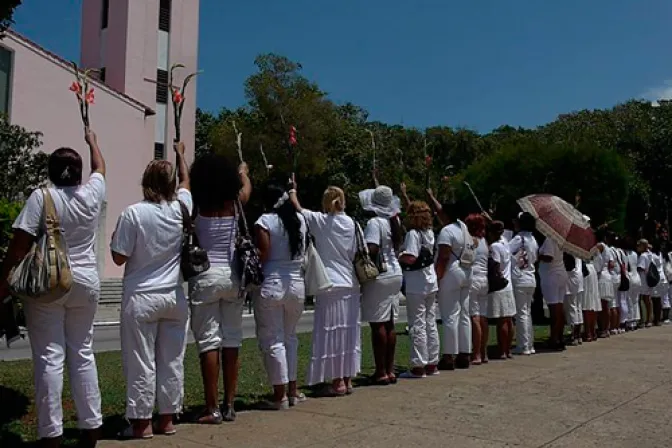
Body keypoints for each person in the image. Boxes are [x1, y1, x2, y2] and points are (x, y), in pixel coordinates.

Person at [0, 129, 105, 448]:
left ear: (50, 172)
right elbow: (101, 167)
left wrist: (2, 281)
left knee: (49, 356)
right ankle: (91, 428)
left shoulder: (42, 197)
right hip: (86, 282)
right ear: (78, 173)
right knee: (83, 352)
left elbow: (19, 246)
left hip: (51, 282)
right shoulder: (91, 194)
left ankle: (51, 434)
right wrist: (93, 142)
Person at [110, 143, 191, 439]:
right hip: (173, 295)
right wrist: (181, 154)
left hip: (141, 296)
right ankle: (167, 419)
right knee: (171, 360)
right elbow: (186, 181)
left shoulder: (133, 214)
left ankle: (141, 423)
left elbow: (119, 256)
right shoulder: (182, 207)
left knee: (141, 361)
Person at [187, 154, 251, 423]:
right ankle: (230, 403)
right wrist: (244, 172)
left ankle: (211, 406)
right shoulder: (235, 203)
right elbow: (247, 188)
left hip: (205, 275)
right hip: (233, 275)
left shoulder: (196, 205)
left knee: (208, 342)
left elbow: (184, 183)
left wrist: (181, 159)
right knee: (232, 338)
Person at [288, 182, 361, 394]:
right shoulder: (353, 224)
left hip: (329, 283)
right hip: (350, 283)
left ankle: (337, 380)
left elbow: (298, 208)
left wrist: (293, 189)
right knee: (349, 332)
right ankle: (347, 379)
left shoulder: (320, 221)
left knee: (331, 332)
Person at [254, 182, 307, 409]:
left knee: (273, 339)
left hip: (272, 281)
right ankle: (293, 391)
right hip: (296, 282)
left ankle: (279, 395)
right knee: (290, 337)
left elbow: (263, 253)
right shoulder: (300, 221)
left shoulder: (264, 221)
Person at [359, 185, 404, 384]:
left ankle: (381, 371)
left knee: (378, 324)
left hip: (381, 275)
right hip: (395, 273)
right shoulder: (394, 221)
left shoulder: (374, 223)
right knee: (390, 323)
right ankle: (390, 368)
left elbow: (373, 248)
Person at [398, 201, 439, 378]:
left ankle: (418, 365)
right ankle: (432, 362)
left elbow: (411, 258)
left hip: (416, 283)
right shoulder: (429, 233)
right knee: (430, 322)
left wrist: (399, 255)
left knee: (417, 324)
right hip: (430, 279)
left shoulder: (413, 234)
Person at [435, 203, 474, 370]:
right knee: (464, 314)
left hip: (452, 271)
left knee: (450, 315)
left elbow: (443, 256)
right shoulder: (464, 228)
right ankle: (465, 353)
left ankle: (449, 355)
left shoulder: (447, 231)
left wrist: (438, 277)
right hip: (467, 271)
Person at [509, 212, 538, 355]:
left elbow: (506, 252)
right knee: (527, 313)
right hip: (530, 278)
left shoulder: (518, 239)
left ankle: (523, 345)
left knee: (521, 313)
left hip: (520, 278)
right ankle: (529, 344)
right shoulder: (533, 240)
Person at [487, 221, 516, 359]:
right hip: (508, 285)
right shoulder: (506, 242)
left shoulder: (494, 247)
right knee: (509, 319)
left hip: (500, 286)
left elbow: (495, 267)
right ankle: (508, 349)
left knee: (502, 321)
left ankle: (503, 350)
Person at [465, 213, 489, 364]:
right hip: (484, 279)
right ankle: (483, 352)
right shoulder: (485, 241)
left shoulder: (472, 241)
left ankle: (476, 353)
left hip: (473, 278)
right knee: (483, 317)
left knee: (474, 316)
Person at [538, 237, 568, 350]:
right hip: (560, 273)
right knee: (559, 308)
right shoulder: (559, 240)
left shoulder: (550, 240)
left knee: (554, 310)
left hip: (552, 276)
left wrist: (538, 256)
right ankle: (560, 337)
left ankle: (554, 339)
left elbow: (549, 257)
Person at [595, 231, 615, 337]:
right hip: (607, 276)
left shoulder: (599, 246)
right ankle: (606, 328)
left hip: (601, 276)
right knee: (606, 304)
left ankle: (603, 328)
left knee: (602, 305)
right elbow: (612, 264)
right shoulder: (608, 249)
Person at [564, 255, 584, 345]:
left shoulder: (569, 251)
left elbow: (569, 266)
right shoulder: (577, 249)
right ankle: (578, 335)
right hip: (579, 277)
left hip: (572, 277)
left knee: (572, 307)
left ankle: (574, 335)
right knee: (578, 306)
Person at [624, 235, 641, 330]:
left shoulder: (625, 254)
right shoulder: (635, 253)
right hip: (637, 277)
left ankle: (630, 321)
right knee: (635, 300)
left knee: (629, 300)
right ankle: (635, 319)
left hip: (630, 277)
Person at [637, 239, 654, 328]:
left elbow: (640, 267)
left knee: (642, 300)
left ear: (643, 246)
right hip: (649, 279)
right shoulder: (651, 254)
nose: (637, 247)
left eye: (639, 245)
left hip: (643, 279)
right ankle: (649, 319)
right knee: (648, 299)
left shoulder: (643, 256)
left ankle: (643, 320)